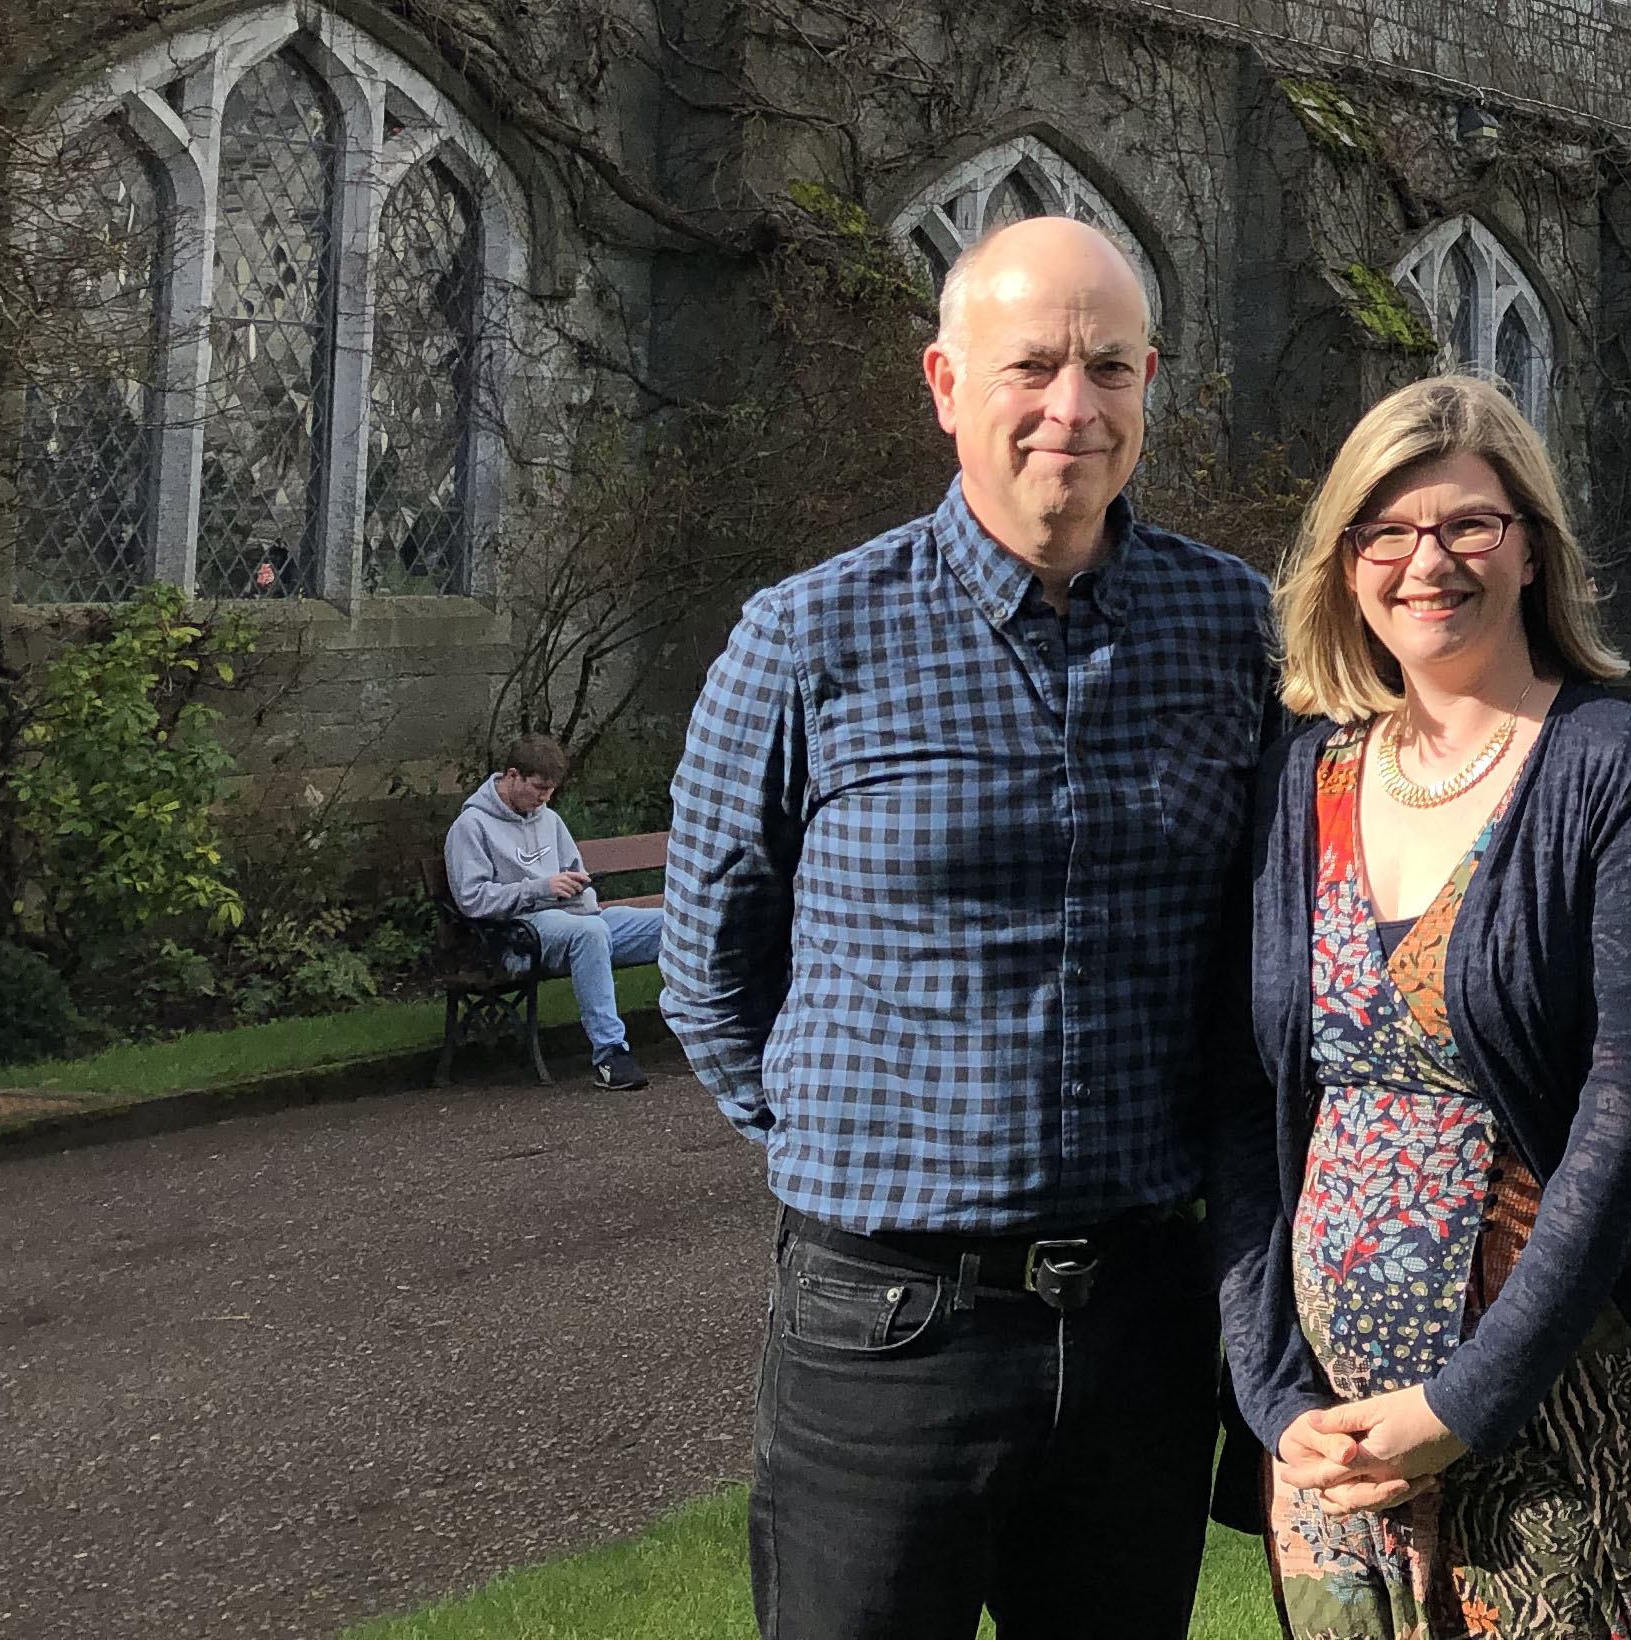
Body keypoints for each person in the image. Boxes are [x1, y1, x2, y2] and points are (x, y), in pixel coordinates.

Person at [660, 216, 1278, 1640]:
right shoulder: (808, 637)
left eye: (1109, 369)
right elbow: (708, 963)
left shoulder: (1231, 628)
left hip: (1140, 1318)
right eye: (1034, 367)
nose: (1074, 405)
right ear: (946, 384)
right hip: (887, 1331)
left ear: (1148, 384)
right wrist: (848, 1136)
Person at [1214, 375, 1631, 1640]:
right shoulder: (1305, 773)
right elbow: (1248, 1100)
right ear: (1346, 561)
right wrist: (1274, 1397)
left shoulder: (1607, 763)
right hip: (1332, 1453)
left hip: (1552, 1421)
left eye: (1468, 525)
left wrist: (1463, 1398)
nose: (1427, 561)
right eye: (1388, 530)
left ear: (1530, 544)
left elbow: (1630, 1105)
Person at [441, 732, 661, 1091]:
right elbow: (473, 900)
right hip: (518, 936)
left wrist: (577, 887)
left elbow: (573, 871)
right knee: (590, 935)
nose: (545, 798)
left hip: (578, 919)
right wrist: (540, 889)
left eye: (550, 790)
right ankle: (611, 1056)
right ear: (513, 776)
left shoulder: (549, 819)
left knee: (673, 923)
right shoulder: (471, 826)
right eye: (539, 788)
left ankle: (716, 1026)